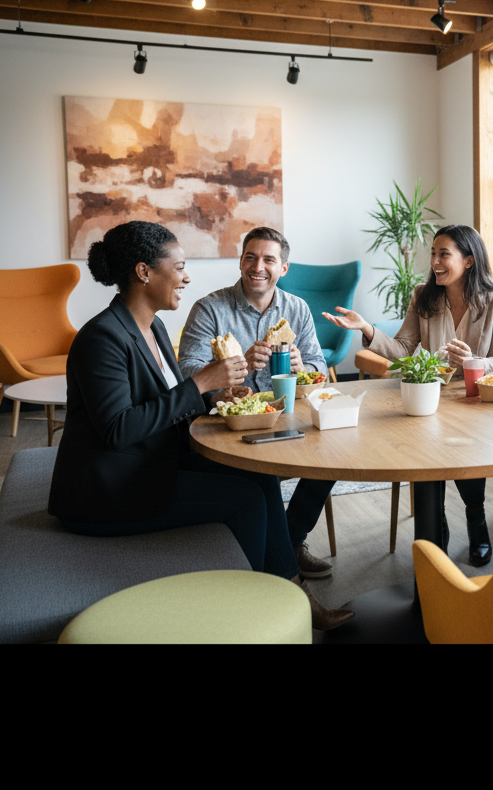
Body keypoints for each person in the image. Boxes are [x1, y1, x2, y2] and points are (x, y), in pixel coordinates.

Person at [47, 221, 354, 631]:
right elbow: (118, 429)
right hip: (108, 492)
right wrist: (202, 383)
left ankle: (295, 596)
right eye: (180, 266)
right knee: (244, 499)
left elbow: (173, 399)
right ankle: (256, 615)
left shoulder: (151, 326)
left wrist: (217, 396)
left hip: (151, 463)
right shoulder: (102, 338)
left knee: (256, 476)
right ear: (144, 272)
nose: (187, 276)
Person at [324, 223, 493, 567]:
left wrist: (473, 361)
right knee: (428, 452)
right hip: (431, 395)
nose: (435, 261)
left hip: (475, 399)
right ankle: (435, 525)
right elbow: (403, 348)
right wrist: (366, 328)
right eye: (433, 253)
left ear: (469, 261)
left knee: (465, 449)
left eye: (444, 254)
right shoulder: (423, 295)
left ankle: (476, 521)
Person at [177, 226, 336, 582]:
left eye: (268, 259)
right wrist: (239, 365)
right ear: (240, 262)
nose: (258, 266)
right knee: (259, 472)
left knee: (335, 456)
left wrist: (302, 366)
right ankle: (277, 556)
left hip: (289, 415)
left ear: (283, 268)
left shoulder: (297, 308)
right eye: (251, 257)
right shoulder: (210, 308)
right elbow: (187, 369)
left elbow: (319, 366)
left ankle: (292, 539)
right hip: (229, 423)